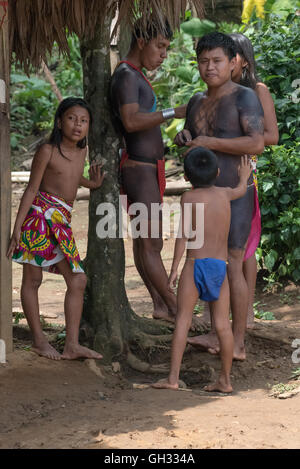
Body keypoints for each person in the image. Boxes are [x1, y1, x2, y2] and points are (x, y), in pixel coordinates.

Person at [175, 32, 264, 360]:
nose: (209, 67)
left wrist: (211, 143)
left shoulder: (245, 98)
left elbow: (256, 143)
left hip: (236, 192)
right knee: (208, 259)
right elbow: (193, 137)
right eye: (203, 61)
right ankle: (217, 332)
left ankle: (237, 342)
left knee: (234, 262)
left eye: (216, 61)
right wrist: (184, 136)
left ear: (232, 63)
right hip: (205, 195)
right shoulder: (197, 100)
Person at [7, 97, 105, 361]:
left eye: (84, 121)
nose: (78, 125)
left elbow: (69, 176)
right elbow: (32, 188)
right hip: (38, 219)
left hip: (61, 220)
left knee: (78, 280)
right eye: (72, 118)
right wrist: (18, 228)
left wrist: (90, 184)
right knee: (33, 280)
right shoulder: (47, 151)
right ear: (60, 122)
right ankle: (39, 341)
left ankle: (71, 345)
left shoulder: (82, 152)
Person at [152, 149, 252, 393]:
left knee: (183, 321)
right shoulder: (226, 194)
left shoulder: (188, 198)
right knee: (222, 325)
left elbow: (183, 235)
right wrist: (243, 176)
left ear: (186, 177)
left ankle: (173, 379)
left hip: (194, 265)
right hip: (219, 266)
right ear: (218, 173)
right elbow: (241, 190)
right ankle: (225, 381)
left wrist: (174, 268)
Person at [110, 19, 186, 323]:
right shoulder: (127, 75)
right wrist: (173, 112)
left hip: (145, 168)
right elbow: (131, 121)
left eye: (167, 48)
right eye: (160, 46)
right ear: (141, 41)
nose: (164, 54)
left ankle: (160, 305)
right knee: (152, 242)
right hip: (140, 168)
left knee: (146, 242)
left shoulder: (133, 74)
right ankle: (177, 309)